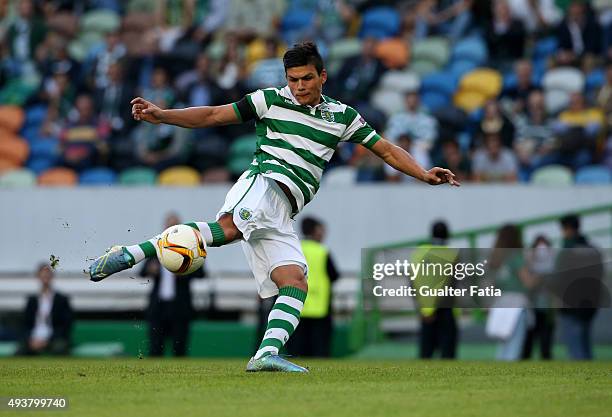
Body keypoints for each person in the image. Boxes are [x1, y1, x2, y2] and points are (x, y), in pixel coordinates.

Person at [88, 42, 460, 372]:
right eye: (293, 78)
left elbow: (386, 149)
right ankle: (129, 253)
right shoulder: (270, 100)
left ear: (323, 76)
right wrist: (164, 115)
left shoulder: (343, 117)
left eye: (306, 78)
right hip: (263, 184)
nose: (298, 86)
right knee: (227, 231)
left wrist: (423, 174)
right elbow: (215, 115)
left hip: (284, 211)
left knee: (295, 282)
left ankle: (265, 354)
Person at [140, 213, 205, 357]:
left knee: (179, 347)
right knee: (155, 347)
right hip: (158, 305)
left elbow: (201, 273)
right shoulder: (156, 247)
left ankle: (181, 377)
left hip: (180, 305)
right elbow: (142, 271)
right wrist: (151, 269)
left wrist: (184, 271)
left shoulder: (190, 247)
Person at [285, 217, 339, 358]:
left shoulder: (295, 249)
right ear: (315, 231)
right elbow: (334, 275)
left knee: (297, 345)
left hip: (297, 302)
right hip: (319, 305)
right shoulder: (322, 251)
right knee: (319, 346)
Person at [556, 214, 603, 360]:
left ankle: (583, 379)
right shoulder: (592, 249)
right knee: (585, 345)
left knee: (575, 348)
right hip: (590, 303)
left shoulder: (567, 249)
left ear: (567, 229)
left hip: (571, 304)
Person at [412, 221, 459, 359]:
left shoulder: (418, 253)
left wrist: (421, 306)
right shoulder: (451, 254)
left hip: (426, 307)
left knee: (426, 352)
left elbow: (412, 282)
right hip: (445, 306)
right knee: (447, 351)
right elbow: (452, 282)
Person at [17, 264, 73, 356]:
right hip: (33, 338)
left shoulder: (61, 299)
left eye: (47, 275)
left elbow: (65, 325)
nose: (45, 278)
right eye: (43, 275)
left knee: (60, 348)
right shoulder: (32, 300)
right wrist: (31, 339)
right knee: (20, 350)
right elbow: (25, 324)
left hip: (53, 339)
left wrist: (47, 340)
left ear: (52, 277)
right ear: (38, 277)